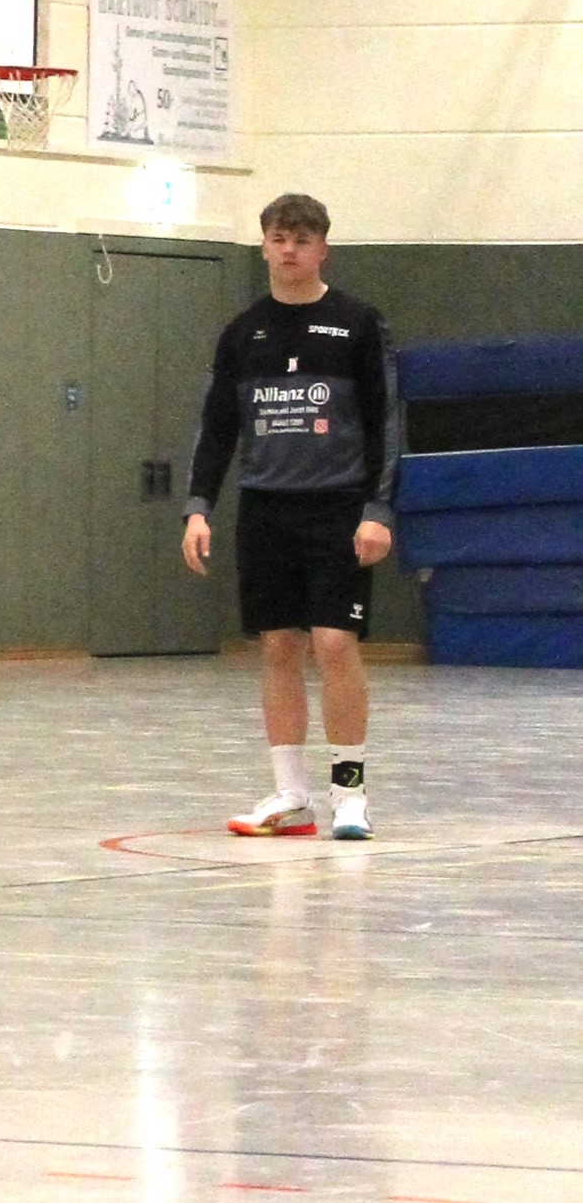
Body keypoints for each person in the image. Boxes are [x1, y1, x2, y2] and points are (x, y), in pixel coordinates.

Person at [183, 193, 398, 841]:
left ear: (322, 248)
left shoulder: (357, 324)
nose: (289, 250)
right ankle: (290, 796)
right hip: (265, 510)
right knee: (278, 646)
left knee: (334, 643)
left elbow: (387, 423)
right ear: (264, 246)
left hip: (339, 508)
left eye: (302, 239)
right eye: (279, 238)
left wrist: (377, 508)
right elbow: (217, 428)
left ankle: (350, 795)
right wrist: (198, 507)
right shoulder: (242, 333)